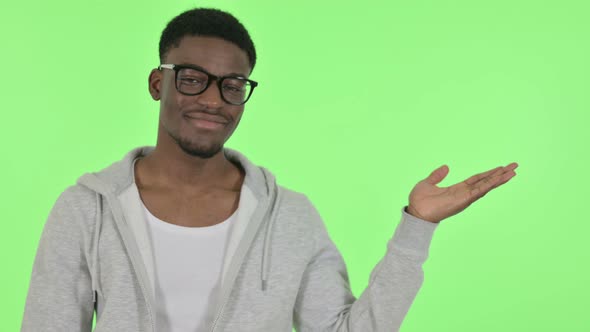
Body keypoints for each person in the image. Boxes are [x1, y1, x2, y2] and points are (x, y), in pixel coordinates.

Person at [21, 7, 518, 332]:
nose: (213, 100)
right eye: (192, 79)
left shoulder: (291, 217)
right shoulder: (87, 208)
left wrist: (417, 228)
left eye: (232, 85)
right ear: (158, 83)